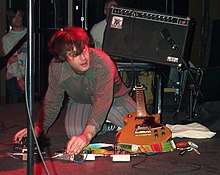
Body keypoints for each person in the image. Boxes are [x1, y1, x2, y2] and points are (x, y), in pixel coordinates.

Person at [13, 26, 137, 155]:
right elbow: (52, 101)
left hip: (114, 98)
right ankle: (106, 126)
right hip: (82, 101)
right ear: (64, 57)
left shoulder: (103, 62)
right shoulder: (57, 68)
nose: (83, 58)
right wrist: (38, 127)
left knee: (139, 131)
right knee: (75, 133)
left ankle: (100, 124)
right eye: (75, 55)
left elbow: (102, 101)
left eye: (84, 50)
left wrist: (87, 134)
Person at [2, 8, 27, 103]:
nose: (17, 19)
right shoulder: (7, 39)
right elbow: (12, 59)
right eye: (14, 17)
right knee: (15, 111)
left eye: (19, 16)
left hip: (30, 75)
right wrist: (19, 78)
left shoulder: (31, 33)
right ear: (10, 20)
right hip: (14, 77)